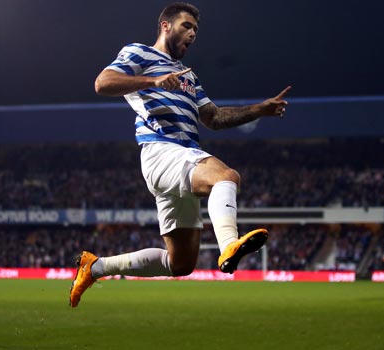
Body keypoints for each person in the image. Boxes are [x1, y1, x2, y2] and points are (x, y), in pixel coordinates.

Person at [70, 2, 291, 307]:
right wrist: (153, 81)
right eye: (187, 26)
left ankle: (95, 267)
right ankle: (229, 244)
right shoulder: (140, 53)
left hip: (183, 158)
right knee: (226, 177)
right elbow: (102, 83)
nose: (193, 34)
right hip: (161, 151)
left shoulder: (189, 76)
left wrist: (259, 110)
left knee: (181, 263)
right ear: (166, 25)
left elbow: (213, 118)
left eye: (196, 30)